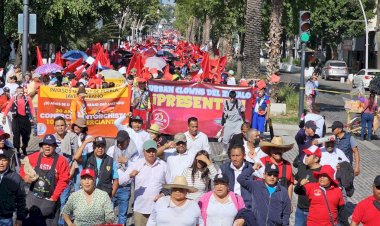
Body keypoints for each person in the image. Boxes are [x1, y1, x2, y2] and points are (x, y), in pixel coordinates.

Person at [20, 134, 70, 226]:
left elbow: (64, 180)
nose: (47, 146)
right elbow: (23, 165)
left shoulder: (62, 161)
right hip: (32, 199)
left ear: (55, 146)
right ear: (42, 146)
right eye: (45, 144)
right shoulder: (34, 157)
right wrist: (25, 177)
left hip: (50, 201)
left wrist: (54, 197)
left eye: (50, 144)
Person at [119, 140, 171, 226]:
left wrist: (163, 194)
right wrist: (130, 175)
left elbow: (170, 184)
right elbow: (121, 181)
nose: (151, 153)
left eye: (153, 151)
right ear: (143, 152)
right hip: (140, 208)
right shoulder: (137, 164)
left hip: (158, 208)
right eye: (148, 151)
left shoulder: (163, 165)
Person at [107, 130, 139, 225]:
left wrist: (127, 162)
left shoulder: (134, 152)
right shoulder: (112, 149)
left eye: (122, 142)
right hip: (112, 186)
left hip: (125, 187)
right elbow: (107, 165)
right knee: (109, 212)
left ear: (128, 140)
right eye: (118, 141)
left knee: (122, 214)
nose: (119, 144)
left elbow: (137, 167)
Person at [3, 86, 35, 156]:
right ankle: (17, 150)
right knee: (16, 135)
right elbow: (8, 107)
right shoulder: (13, 99)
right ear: (16, 92)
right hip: (16, 118)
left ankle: (24, 147)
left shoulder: (27, 98)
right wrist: (4, 116)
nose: (20, 93)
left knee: (26, 135)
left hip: (25, 119)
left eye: (21, 91)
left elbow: (32, 108)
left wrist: (34, 116)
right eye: (19, 91)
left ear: (23, 91)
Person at [294, 145, 322, 226]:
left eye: (309, 155)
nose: (306, 157)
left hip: (315, 212)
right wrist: (300, 184)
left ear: (316, 159)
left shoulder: (323, 173)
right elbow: (296, 190)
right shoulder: (302, 168)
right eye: (306, 155)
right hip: (300, 210)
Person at [219, 144, 253, 209]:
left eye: (237, 156)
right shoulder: (223, 169)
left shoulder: (251, 168)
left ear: (244, 156)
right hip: (228, 204)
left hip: (247, 205)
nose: (235, 159)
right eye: (233, 156)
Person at [0, 147, 27, 226]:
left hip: (6, 218)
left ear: (8, 161)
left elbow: (21, 199)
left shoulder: (15, 177)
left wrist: (20, 218)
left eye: (4, 160)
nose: (1, 163)